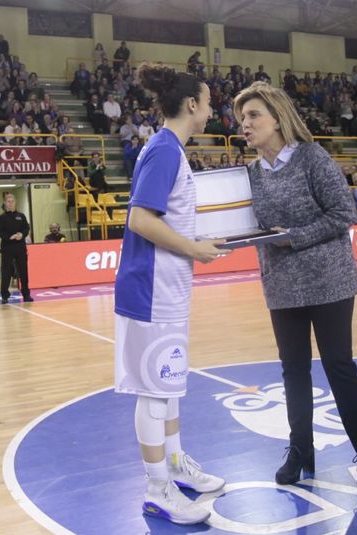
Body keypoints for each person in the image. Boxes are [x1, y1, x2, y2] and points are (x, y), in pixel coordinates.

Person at [234, 81, 357, 494]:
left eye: (253, 115)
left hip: (329, 280)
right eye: (242, 118)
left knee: (339, 367)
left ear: (278, 118)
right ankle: (301, 450)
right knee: (293, 371)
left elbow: (343, 213)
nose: (245, 124)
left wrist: (294, 237)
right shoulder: (248, 175)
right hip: (281, 284)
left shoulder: (312, 157)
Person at [114, 64, 226, 526]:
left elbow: (168, 220)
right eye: (209, 101)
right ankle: (157, 488)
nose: (212, 110)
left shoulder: (169, 149)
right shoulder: (163, 150)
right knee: (154, 393)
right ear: (192, 104)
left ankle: (176, 465)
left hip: (167, 289)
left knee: (169, 385)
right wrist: (194, 249)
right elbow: (140, 219)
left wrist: (197, 242)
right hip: (150, 290)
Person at [0, 193, 33, 304]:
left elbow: (26, 228)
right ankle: (4, 295)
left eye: (12, 201)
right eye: (8, 201)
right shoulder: (2, 218)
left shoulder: (21, 216)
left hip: (20, 246)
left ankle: (26, 294)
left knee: (23, 270)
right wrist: (9, 237)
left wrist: (22, 234)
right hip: (7, 247)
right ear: (5, 203)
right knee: (6, 271)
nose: (11, 203)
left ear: (15, 202)